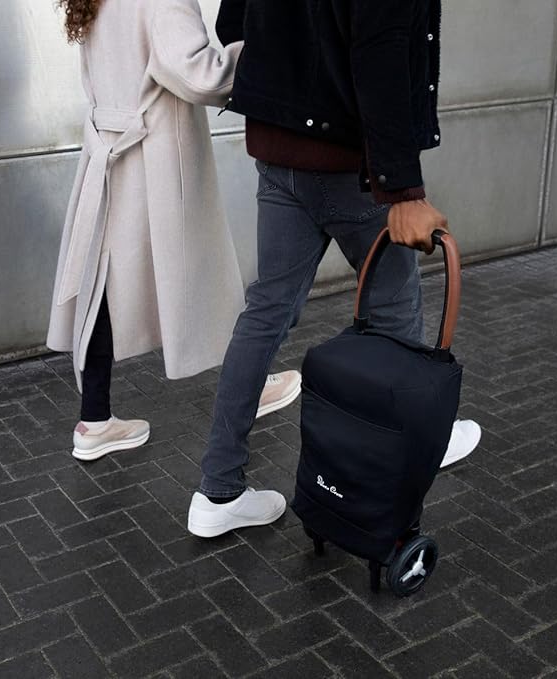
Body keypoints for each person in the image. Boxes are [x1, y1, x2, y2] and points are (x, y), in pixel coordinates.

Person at [187, 0, 481, 538]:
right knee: (396, 314)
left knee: (265, 314)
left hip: (280, 155)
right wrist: (404, 192)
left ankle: (217, 490)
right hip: (349, 164)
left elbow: (234, 24)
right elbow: (380, 50)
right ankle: (415, 452)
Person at [47, 0, 301, 462]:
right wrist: (263, 48)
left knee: (101, 281)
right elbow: (197, 75)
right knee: (201, 267)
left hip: (111, 149)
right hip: (156, 159)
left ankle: (94, 419)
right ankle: (252, 386)